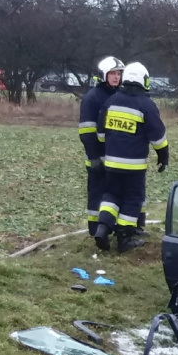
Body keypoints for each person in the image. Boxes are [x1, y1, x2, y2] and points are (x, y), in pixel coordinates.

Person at [94, 61, 170, 252]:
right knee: (132, 198)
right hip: (133, 166)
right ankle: (124, 238)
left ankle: (102, 228)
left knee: (111, 195)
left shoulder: (111, 101)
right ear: (143, 80)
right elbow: (157, 135)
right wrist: (163, 155)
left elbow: (101, 133)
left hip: (111, 162)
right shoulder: (146, 104)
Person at [79, 57, 124, 236]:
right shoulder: (92, 98)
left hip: (115, 158)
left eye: (119, 74)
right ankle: (94, 229)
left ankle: (110, 227)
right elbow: (86, 131)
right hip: (98, 158)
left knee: (113, 195)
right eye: (112, 73)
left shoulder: (119, 95)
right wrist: (94, 157)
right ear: (103, 75)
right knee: (97, 194)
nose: (116, 77)